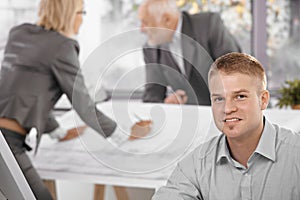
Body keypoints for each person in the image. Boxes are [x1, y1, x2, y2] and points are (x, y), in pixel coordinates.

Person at [0, 0, 151, 199]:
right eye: (82, 12)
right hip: (8, 141)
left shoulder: (19, 34)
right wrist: (122, 134)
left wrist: (57, 132)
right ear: (69, 14)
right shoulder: (62, 47)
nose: (82, 19)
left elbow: (26, 92)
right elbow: (84, 105)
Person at [152, 52, 300, 199]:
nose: (227, 108)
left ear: (263, 100)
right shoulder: (196, 165)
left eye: (240, 96)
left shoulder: (295, 155)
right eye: (219, 99)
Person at [139, 0, 241, 105]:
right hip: (188, 117)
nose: (141, 29)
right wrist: (166, 103)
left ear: (167, 20)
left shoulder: (208, 25)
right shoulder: (151, 48)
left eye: (145, 23)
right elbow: (152, 95)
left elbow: (236, 72)